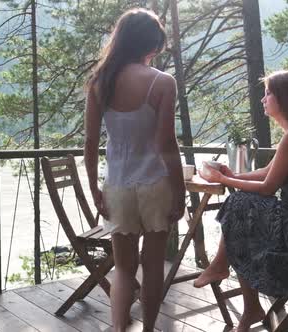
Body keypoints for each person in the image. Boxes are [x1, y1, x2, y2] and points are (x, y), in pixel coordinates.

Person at [196, 70, 288, 331]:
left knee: (240, 207)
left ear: (284, 99)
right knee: (241, 207)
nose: (263, 99)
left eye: (268, 93)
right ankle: (234, 284)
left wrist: (225, 181)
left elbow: (267, 187)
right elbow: (268, 172)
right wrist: (231, 175)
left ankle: (231, 280)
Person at [83, 8, 186, 332]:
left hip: (118, 185)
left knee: (124, 270)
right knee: (152, 266)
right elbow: (167, 144)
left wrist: (93, 188)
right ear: (150, 44)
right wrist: (180, 192)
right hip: (156, 183)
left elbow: (89, 142)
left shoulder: (100, 82)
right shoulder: (161, 82)